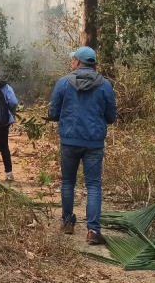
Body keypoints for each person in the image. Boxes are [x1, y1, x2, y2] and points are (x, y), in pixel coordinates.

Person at [48, 46, 116, 245]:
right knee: (93, 185)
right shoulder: (105, 85)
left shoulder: (63, 83)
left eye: (73, 60)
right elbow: (111, 116)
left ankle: (68, 223)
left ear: (78, 62)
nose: (72, 63)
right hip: (94, 143)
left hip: (69, 141)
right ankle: (93, 231)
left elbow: (53, 113)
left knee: (68, 182)